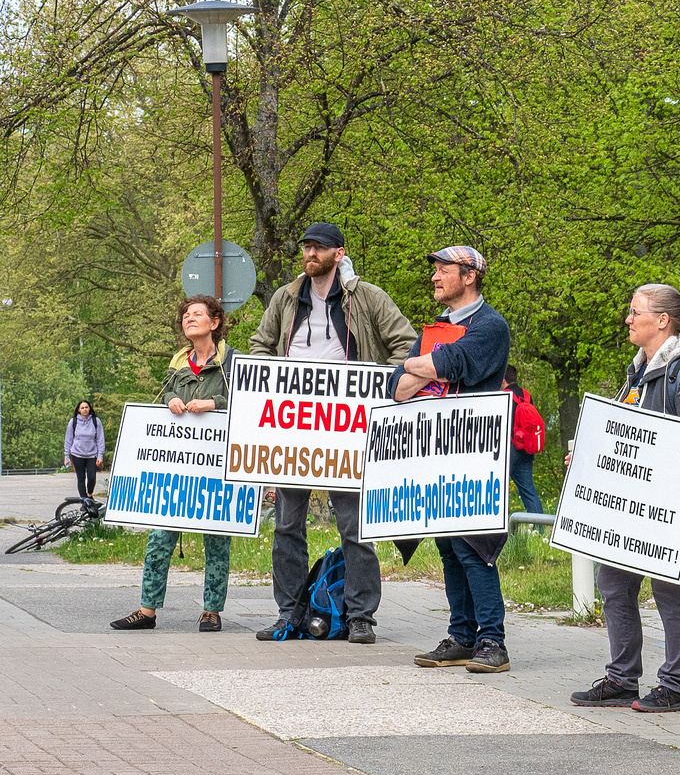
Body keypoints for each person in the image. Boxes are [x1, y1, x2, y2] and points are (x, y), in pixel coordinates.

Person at [250, 222, 416, 645]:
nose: (310, 254)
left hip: (348, 427)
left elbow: (408, 346)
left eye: (319, 248)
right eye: (306, 247)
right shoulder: (286, 298)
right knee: (287, 525)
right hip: (293, 426)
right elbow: (259, 346)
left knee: (354, 525)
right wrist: (272, 379)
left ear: (338, 254)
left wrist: (380, 385)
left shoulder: (369, 297)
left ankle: (361, 616)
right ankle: (289, 613)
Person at [570, 284, 680, 713]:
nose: (628, 320)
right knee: (613, 583)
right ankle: (621, 678)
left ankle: (675, 687)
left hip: (669, 510)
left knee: (671, 590)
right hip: (630, 509)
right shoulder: (639, 371)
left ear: (663, 321)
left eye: (635, 313)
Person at [397, 246, 514, 675]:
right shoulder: (436, 327)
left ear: (469, 276)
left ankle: (492, 641)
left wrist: (421, 367)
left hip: (476, 452)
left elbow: (455, 362)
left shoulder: (490, 325)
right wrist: (423, 367)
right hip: (436, 452)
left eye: (444, 270)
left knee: (474, 547)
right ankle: (462, 635)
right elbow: (397, 386)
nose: (435, 277)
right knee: (448, 546)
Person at [110, 296, 238, 633]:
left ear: (215, 322)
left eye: (197, 314)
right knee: (159, 536)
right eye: (185, 315)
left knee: (217, 537)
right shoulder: (179, 360)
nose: (189, 318)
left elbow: (246, 400)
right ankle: (146, 610)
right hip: (178, 467)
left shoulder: (232, 360)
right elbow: (165, 393)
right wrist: (172, 400)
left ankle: (212, 611)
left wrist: (214, 402)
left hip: (216, 464)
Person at [504, 365, 545, 515]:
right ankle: (539, 529)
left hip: (511, 448)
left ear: (503, 379)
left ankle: (503, 529)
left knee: (499, 487)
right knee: (529, 491)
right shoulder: (526, 395)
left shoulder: (504, 396)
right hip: (527, 448)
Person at [63, 400, 105, 505]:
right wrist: (66, 457)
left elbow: (100, 439)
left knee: (91, 477)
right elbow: (68, 440)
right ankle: (84, 501)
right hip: (77, 454)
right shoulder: (73, 422)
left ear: (89, 408)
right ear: (78, 410)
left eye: (86, 407)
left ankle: (89, 495)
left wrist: (100, 455)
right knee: (81, 479)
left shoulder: (96, 421)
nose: (85, 409)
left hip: (92, 454)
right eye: (82, 408)